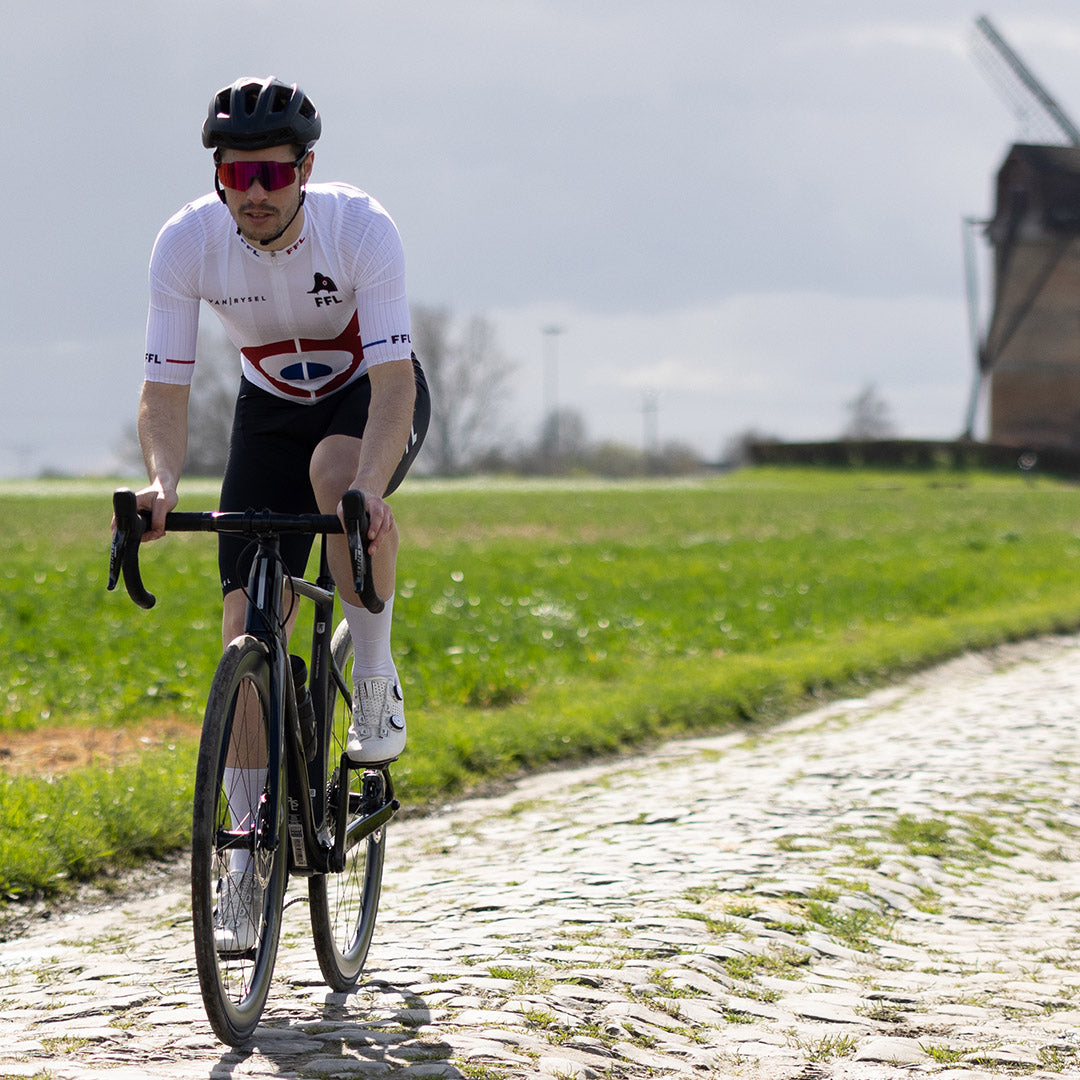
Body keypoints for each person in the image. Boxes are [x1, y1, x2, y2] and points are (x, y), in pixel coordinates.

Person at [133, 76, 429, 950]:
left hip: (364, 405)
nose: (254, 194)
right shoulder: (186, 243)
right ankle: (244, 859)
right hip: (267, 408)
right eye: (237, 176)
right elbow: (165, 389)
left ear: (305, 169)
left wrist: (367, 491)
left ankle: (372, 676)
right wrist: (161, 487)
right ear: (218, 176)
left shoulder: (360, 228)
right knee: (242, 626)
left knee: (338, 476)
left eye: (271, 175)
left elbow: (395, 385)